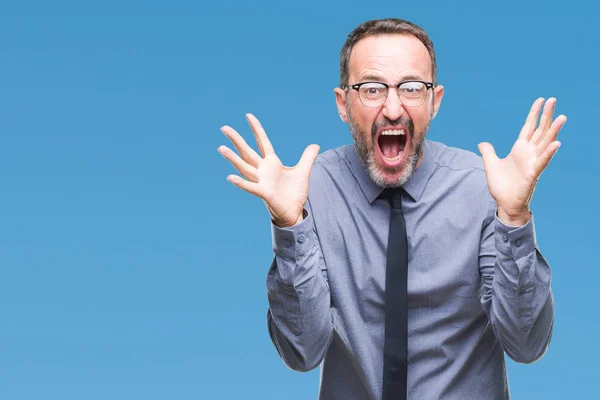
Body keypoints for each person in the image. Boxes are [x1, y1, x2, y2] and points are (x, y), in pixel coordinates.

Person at [217, 18, 565, 400]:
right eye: (372, 89)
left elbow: (526, 344)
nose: (394, 108)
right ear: (343, 104)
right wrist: (289, 225)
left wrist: (513, 218)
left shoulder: (484, 188)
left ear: (435, 101)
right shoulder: (308, 192)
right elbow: (302, 353)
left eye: (412, 88)